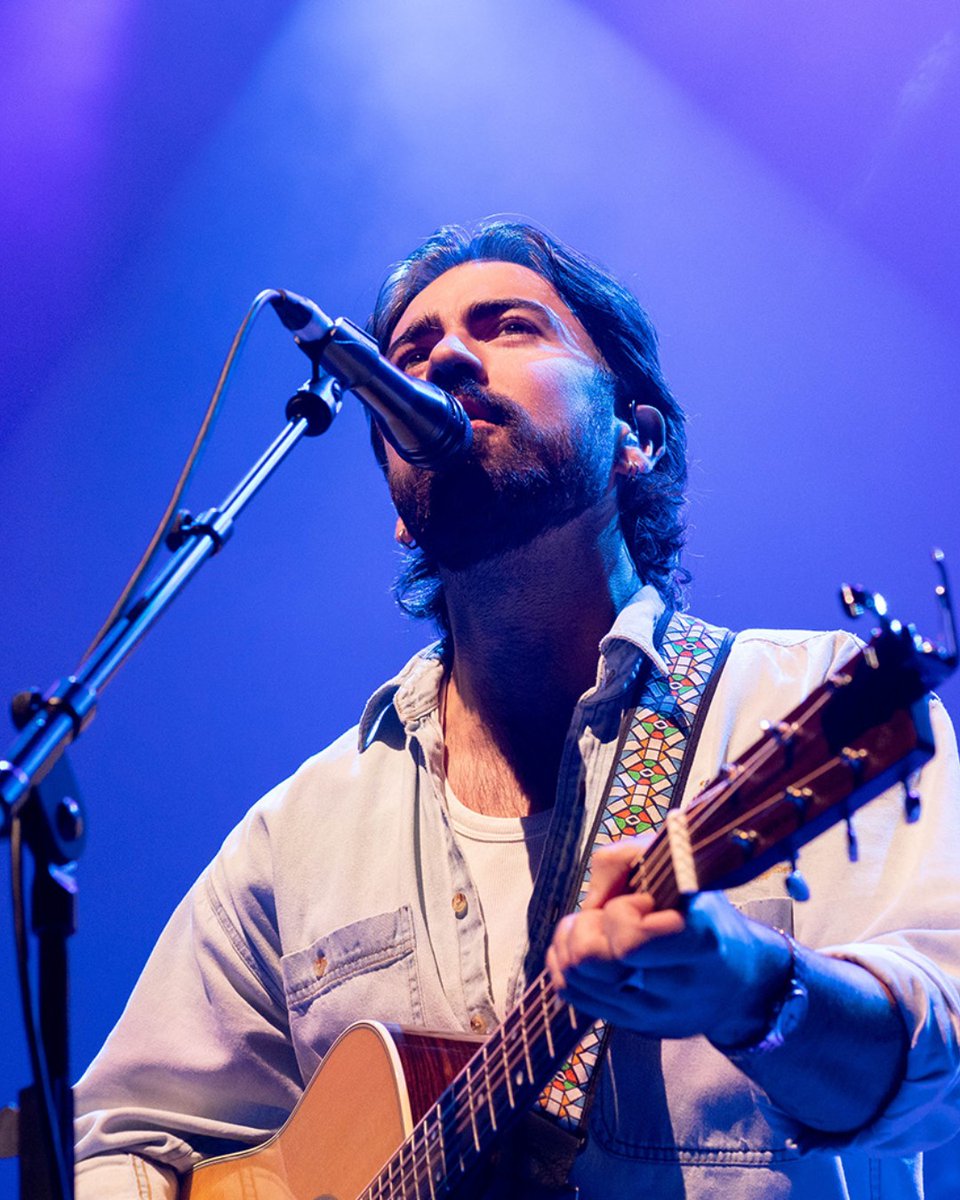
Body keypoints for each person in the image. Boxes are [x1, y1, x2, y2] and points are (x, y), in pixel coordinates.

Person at [74, 221, 960, 1199]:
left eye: (507, 326)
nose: (446, 355)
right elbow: (117, 1138)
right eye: (409, 353)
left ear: (636, 435)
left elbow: (947, 1066)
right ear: (402, 507)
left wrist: (758, 990)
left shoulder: (808, 705)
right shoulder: (298, 837)